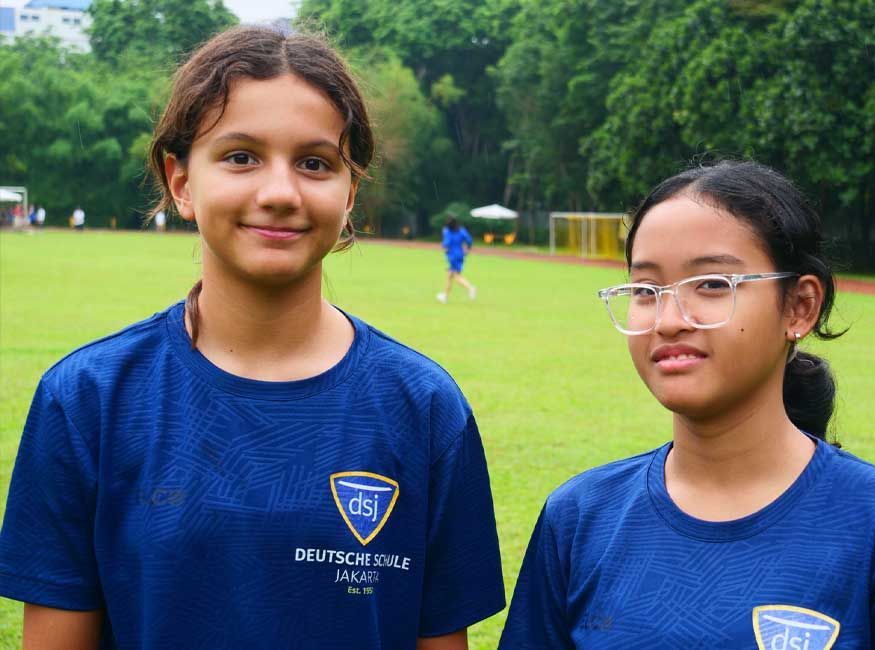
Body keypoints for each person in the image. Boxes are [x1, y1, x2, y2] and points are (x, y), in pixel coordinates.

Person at [0, 25, 504, 649]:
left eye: (315, 163)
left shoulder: (424, 408)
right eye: (241, 156)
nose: (279, 192)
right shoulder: (86, 401)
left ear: (351, 191)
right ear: (181, 182)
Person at [499, 160, 875, 648]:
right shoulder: (579, 518)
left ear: (799, 307)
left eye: (711, 284)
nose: (667, 320)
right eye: (645, 290)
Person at [437, 216, 476, 303]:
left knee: (456, 276)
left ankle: (470, 288)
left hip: (452, 257)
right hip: (460, 255)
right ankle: (444, 296)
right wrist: (468, 249)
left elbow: (446, 244)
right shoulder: (462, 231)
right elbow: (469, 240)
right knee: (450, 276)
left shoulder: (448, 232)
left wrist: (444, 242)